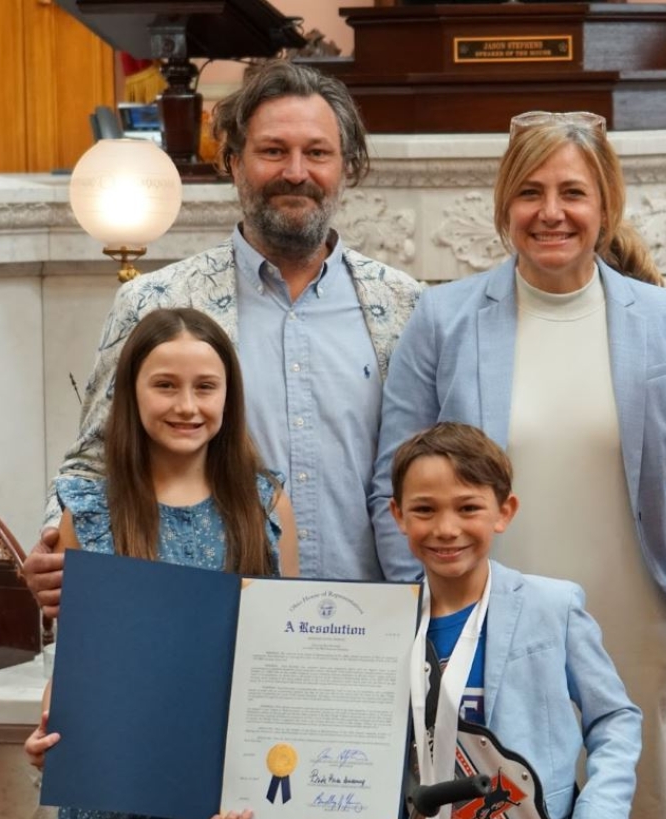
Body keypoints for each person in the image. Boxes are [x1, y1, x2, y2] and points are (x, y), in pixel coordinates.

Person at [370, 111, 666, 819]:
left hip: (636, 607)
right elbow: (388, 481)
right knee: (501, 802)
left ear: (605, 206)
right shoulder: (444, 318)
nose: (551, 212)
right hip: (483, 615)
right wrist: (425, 616)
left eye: (573, 193)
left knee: (636, 801)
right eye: (530, 192)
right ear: (503, 208)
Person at [23, 60, 422, 614]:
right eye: (273, 151)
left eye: (318, 152)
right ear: (233, 162)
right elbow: (92, 462)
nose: (296, 171)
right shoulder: (156, 302)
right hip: (208, 627)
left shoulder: (404, 305)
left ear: (346, 165)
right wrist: (54, 548)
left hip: (372, 621)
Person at [24, 308, 296, 819]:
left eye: (205, 387)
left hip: (225, 809)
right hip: (111, 809)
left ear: (229, 397)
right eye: (165, 386)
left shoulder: (266, 504)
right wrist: (50, 734)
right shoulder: (89, 511)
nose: (187, 405)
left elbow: (284, 660)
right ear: (130, 394)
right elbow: (79, 660)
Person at [389, 422, 641, 819]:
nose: (447, 528)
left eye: (468, 508)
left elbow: (615, 718)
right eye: (424, 510)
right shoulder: (384, 622)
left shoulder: (553, 607)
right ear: (398, 515)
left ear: (504, 512)